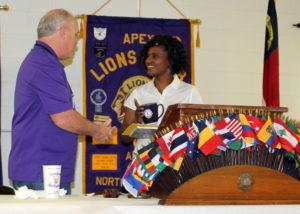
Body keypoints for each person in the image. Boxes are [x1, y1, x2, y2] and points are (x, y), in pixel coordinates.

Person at [8, 9, 116, 194]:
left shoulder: (44, 61)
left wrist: (91, 126)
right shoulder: (44, 63)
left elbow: (61, 114)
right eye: (76, 35)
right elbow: (64, 118)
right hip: (41, 172)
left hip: (44, 170)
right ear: (63, 32)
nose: (76, 43)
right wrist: (97, 131)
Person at [122, 35, 203, 153]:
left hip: (176, 164)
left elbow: (200, 131)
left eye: (155, 56)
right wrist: (136, 121)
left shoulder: (189, 92)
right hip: (144, 165)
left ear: (170, 61)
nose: (148, 60)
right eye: (148, 56)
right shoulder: (138, 93)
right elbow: (124, 139)